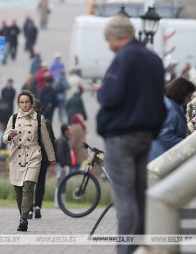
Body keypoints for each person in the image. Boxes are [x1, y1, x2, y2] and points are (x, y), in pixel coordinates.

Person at [94, 15, 167, 254]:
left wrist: (102, 90)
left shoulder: (123, 58)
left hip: (120, 135)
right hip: (145, 134)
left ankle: (125, 250)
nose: (107, 45)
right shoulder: (154, 59)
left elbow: (111, 97)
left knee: (124, 198)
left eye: (108, 39)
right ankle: (140, 247)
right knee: (139, 195)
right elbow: (158, 99)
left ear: (115, 37)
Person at [3, 90, 56, 231]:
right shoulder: (13, 118)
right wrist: (9, 136)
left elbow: (46, 140)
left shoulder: (39, 118)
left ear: (31, 103)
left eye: (27, 102)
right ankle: (23, 214)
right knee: (18, 191)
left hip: (34, 154)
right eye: (22, 102)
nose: (24, 105)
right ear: (18, 104)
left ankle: (23, 220)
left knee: (28, 186)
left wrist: (52, 157)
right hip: (17, 155)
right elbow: (5, 136)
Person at [149, 77, 195, 161]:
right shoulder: (170, 109)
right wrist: (183, 144)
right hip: (161, 155)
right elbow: (164, 134)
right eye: (188, 96)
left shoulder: (172, 104)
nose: (189, 100)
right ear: (181, 93)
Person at [28, 100, 55, 219]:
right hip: (43, 157)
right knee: (41, 182)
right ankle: (38, 207)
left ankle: (28, 210)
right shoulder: (46, 122)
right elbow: (52, 140)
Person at [54, 124, 72, 208]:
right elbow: (59, 153)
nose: (70, 132)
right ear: (65, 131)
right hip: (62, 166)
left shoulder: (64, 140)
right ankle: (58, 203)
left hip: (63, 166)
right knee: (60, 184)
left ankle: (62, 203)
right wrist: (63, 165)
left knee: (63, 184)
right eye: (69, 130)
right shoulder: (61, 140)